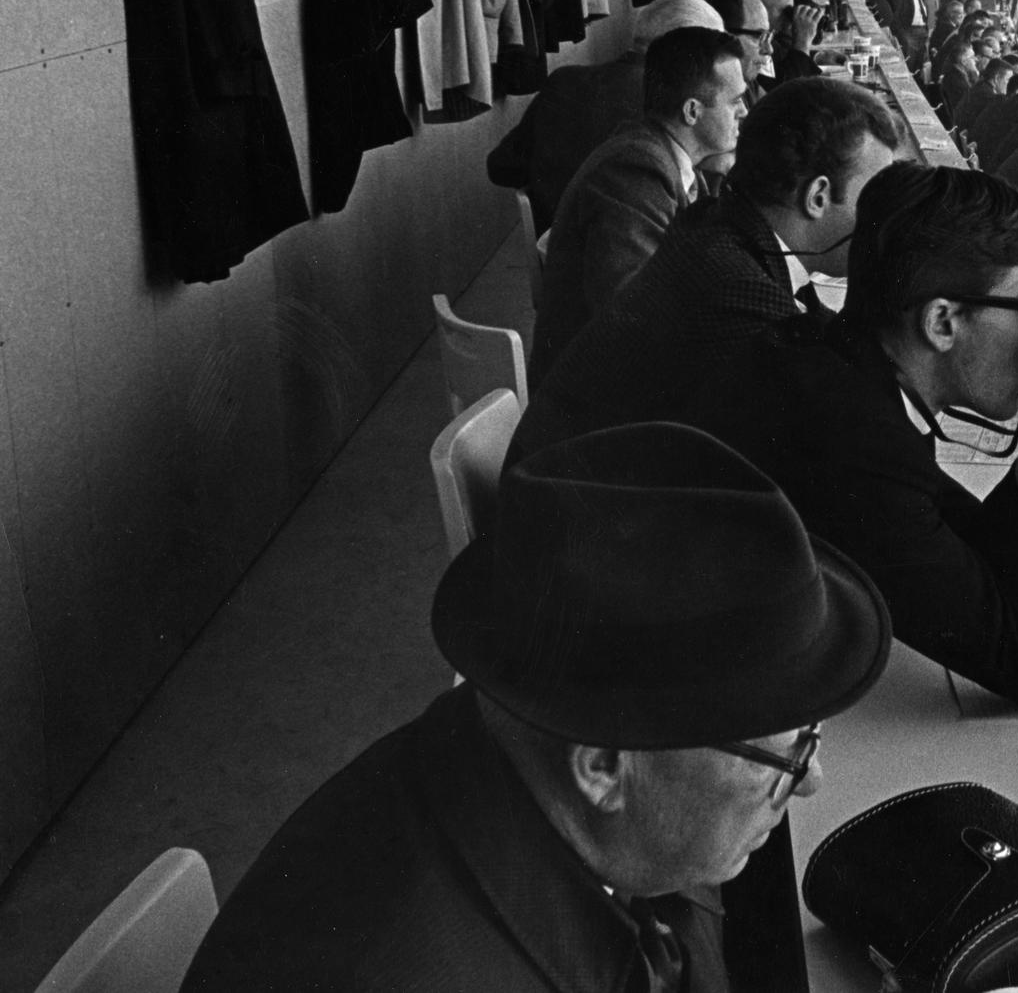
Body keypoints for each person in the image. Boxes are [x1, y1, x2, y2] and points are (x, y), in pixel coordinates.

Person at [179, 421, 892, 992]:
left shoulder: (577, 806)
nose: (813, 778)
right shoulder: (389, 962)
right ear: (604, 766)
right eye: (790, 750)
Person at [542, 163, 1018, 706]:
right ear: (942, 322)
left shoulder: (833, 365)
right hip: (637, 697)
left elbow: (972, 553)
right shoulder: (848, 436)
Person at [518, 80, 901, 453]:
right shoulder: (740, 293)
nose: (887, 218)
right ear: (817, 196)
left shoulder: (720, 227)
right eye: (877, 197)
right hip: (581, 498)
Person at [532, 26, 750, 383]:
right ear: (692, 110)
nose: (744, 110)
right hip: (596, 399)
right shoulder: (636, 169)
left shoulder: (664, 155)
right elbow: (632, 311)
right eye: (734, 100)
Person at [486, 0, 723, 227]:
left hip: (554, 251)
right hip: (644, 253)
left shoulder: (563, 81)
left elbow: (500, 167)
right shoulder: (678, 107)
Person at [754, 0, 825, 89]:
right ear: (760, 10)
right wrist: (802, 43)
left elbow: (784, 62)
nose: (790, 17)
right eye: (784, 11)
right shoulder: (755, 46)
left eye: (790, 10)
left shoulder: (773, 40)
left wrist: (818, 56)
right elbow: (790, 93)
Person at [705, 0, 776, 103]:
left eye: (768, 36)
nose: (769, 49)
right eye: (759, 36)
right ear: (725, 34)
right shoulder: (712, 95)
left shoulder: (747, 79)